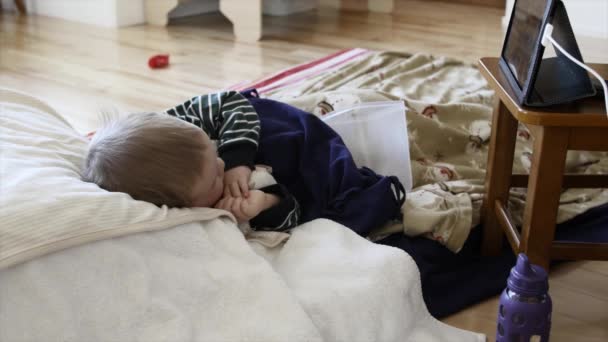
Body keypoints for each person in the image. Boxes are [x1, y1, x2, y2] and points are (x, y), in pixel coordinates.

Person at [82, 91, 299, 232]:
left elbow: (230, 102)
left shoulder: (176, 133)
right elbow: (296, 215)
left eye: (215, 155)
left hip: (273, 125)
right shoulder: (210, 217)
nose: (222, 165)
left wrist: (237, 159)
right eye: (215, 178)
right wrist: (266, 203)